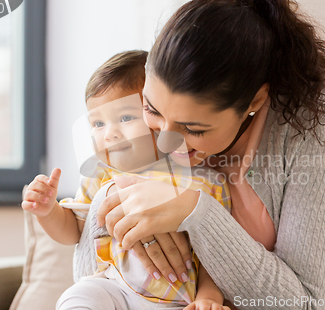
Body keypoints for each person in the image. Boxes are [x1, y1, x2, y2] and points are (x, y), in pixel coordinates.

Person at [96, 1, 325, 309]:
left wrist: (197, 213)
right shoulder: (141, 95)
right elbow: (87, 269)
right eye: (151, 109)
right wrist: (120, 199)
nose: (165, 141)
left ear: (255, 101)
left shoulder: (313, 127)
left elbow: (309, 303)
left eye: (194, 129)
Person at [21, 50, 232, 310]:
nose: (109, 134)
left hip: (176, 301)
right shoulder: (100, 177)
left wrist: (208, 299)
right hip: (112, 290)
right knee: (80, 295)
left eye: (125, 118)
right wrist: (48, 211)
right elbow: (74, 231)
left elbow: (217, 257)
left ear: (158, 117)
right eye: (97, 124)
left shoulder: (203, 182)